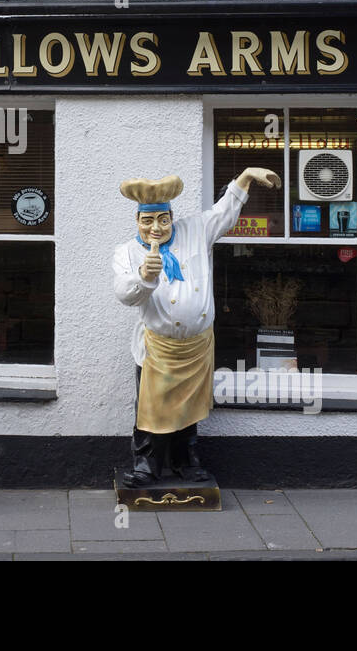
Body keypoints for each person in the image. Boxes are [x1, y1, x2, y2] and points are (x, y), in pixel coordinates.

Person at [112, 168, 281, 488]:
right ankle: (147, 464)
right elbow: (124, 294)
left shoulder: (195, 230)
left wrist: (244, 177)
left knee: (190, 407)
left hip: (197, 345)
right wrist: (144, 278)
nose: (156, 228)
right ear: (137, 221)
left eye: (163, 219)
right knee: (151, 407)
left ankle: (186, 463)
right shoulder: (127, 252)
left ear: (172, 217)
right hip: (159, 348)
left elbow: (224, 213)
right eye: (147, 221)